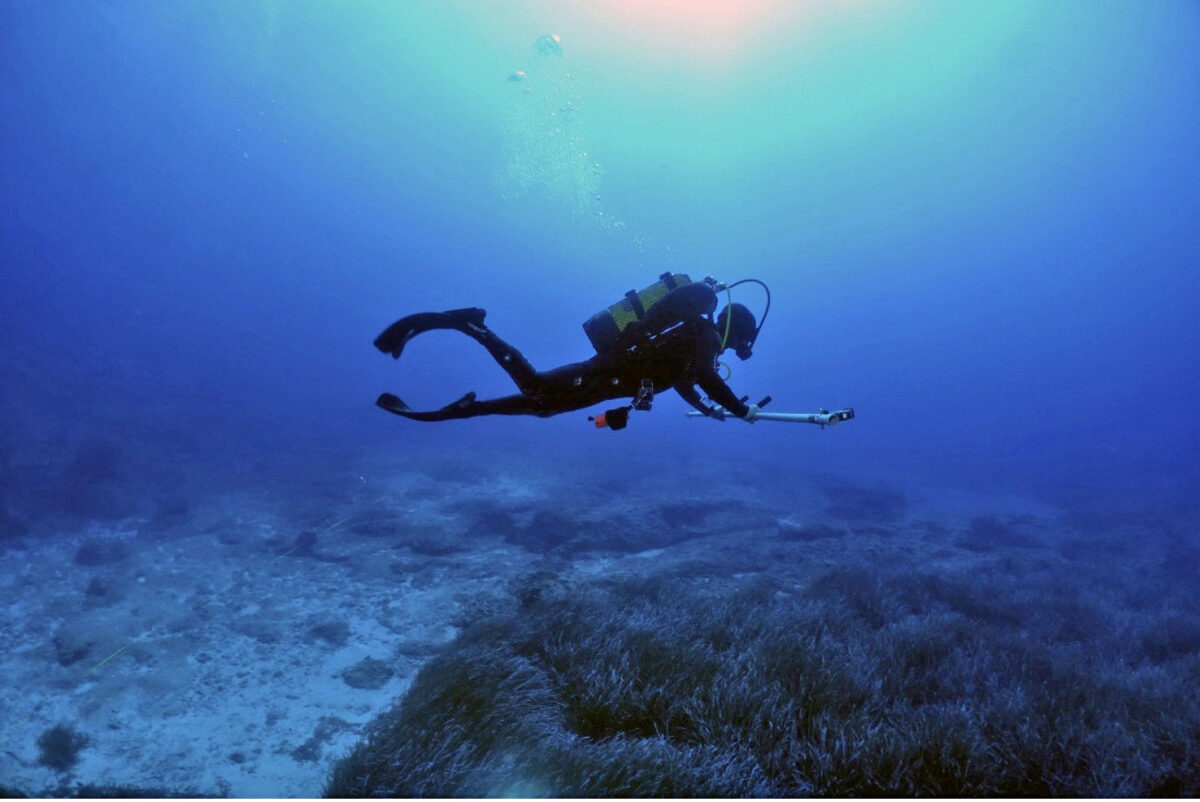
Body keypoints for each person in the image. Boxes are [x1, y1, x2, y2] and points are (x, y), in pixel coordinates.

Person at [372, 281, 761, 427]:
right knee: (536, 387)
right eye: (743, 340)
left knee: (542, 405)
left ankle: (469, 408)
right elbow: (705, 377)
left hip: (611, 379)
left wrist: (709, 409)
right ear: (737, 330)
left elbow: (685, 380)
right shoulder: (705, 335)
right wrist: (741, 410)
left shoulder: (695, 338)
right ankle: (476, 327)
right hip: (609, 371)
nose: (740, 348)